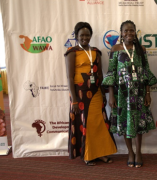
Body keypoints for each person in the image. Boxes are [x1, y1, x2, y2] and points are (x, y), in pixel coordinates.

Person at [102, 20, 157, 168]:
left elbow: (146, 73)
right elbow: (111, 73)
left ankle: (138, 152)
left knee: (138, 122)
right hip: (122, 94)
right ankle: (130, 152)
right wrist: (111, 95)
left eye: (131, 30)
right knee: (125, 122)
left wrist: (147, 93)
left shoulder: (142, 50)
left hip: (139, 94)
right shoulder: (115, 49)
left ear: (135, 32)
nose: (129, 33)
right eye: (126, 31)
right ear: (121, 33)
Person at [65, 22, 117, 166]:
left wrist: (102, 93)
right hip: (80, 95)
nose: (85, 37)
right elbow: (69, 77)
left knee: (99, 123)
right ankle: (88, 155)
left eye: (87, 35)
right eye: (81, 35)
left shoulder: (95, 51)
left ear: (91, 36)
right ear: (76, 36)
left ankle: (101, 153)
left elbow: (99, 74)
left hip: (95, 93)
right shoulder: (72, 52)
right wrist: (74, 101)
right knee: (86, 124)